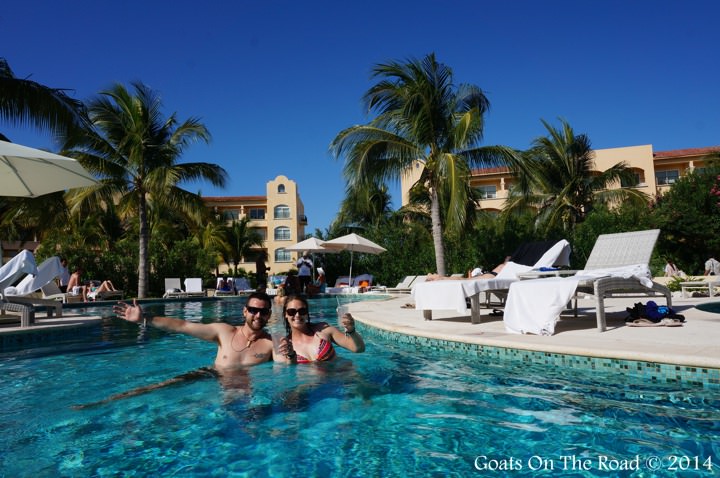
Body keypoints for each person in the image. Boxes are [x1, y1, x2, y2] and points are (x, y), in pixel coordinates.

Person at [114, 291, 289, 369]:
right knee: (157, 388)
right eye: (253, 310)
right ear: (244, 311)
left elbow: (286, 370)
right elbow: (183, 326)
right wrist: (144, 319)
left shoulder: (272, 341)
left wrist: (292, 356)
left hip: (249, 391)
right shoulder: (224, 332)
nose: (258, 315)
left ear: (269, 315)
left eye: (263, 312)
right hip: (212, 378)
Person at [281, 295, 364, 363]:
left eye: (302, 311)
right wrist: (291, 356)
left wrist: (351, 331)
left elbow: (359, 349)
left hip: (344, 379)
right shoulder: (285, 346)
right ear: (286, 314)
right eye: (291, 312)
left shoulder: (324, 330)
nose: (297, 315)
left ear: (307, 313)